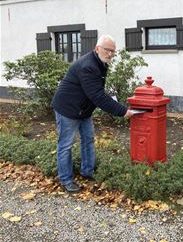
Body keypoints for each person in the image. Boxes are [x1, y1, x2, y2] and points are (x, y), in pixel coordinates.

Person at [52, 34, 133, 193]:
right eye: (107, 49)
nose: (110, 54)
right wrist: (122, 111)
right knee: (65, 145)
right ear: (97, 48)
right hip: (68, 109)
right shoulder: (88, 66)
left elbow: (96, 91)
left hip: (83, 110)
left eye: (112, 51)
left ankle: (87, 171)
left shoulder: (100, 63)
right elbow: (97, 95)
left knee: (88, 140)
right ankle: (66, 179)